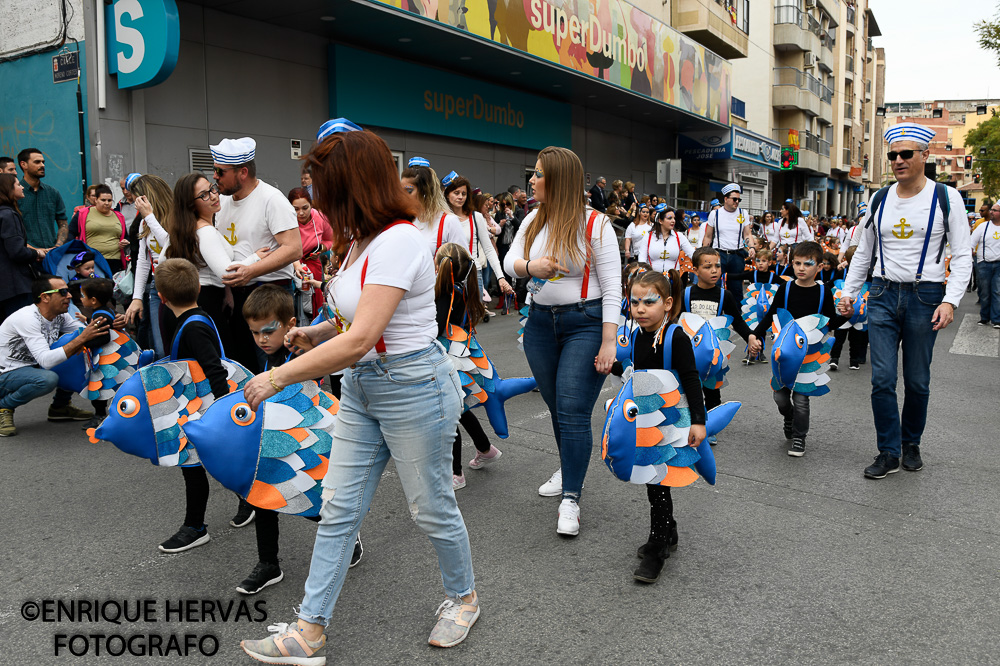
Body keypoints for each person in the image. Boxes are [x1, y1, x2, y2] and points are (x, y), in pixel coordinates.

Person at [239, 126, 478, 662]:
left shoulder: (397, 239)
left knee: (430, 508)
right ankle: (309, 629)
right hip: (366, 388)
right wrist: (318, 331)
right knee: (339, 507)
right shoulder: (362, 240)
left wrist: (279, 375)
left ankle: (463, 597)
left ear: (352, 183)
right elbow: (356, 318)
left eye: (321, 182)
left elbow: (366, 337)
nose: (314, 195)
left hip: (413, 386)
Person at [838, 123, 972, 479]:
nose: (898, 160)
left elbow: (961, 255)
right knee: (881, 379)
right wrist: (848, 293)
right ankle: (888, 451)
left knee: (916, 380)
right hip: (882, 293)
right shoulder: (879, 198)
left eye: (906, 154)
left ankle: (911, 442)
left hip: (925, 295)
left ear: (925, 156)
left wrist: (951, 300)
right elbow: (864, 253)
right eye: (893, 155)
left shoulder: (946, 197)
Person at [504, 146, 620, 536]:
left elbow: (613, 288)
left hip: (584, 323)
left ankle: (571, 496)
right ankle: (568, 465)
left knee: (571, 409)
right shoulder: (534, 218)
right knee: (557, 407)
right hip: (539, 323)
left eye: (538, 174)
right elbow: (509, 261)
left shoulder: (596, 224)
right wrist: (529, 267)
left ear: (559, 180)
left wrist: (609, 341)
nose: (532, 180)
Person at [237, 285, 364, 595]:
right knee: (264, 496)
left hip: (307, 441)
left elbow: (320, 372)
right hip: (272, 440)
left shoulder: (300, 352)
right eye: (255, 333)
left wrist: (307, 353)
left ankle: (345, 532)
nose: (262, 339)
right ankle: (268, 563)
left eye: (268, 330)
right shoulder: (265, 355)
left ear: (290, 325)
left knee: (310, 498)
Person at [620, 269, 705, 582]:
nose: (640, 308)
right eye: (635, 302)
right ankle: (668, 529)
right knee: (651, 480)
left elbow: (692, 378)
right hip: (645, 419)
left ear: (668, 304)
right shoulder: (638, 335)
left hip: (670, 422)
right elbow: (635, 374)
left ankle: (657, 548)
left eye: (649, 302)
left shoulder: (675, 337)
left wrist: (699, 421)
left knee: (657, 481)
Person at [153, 258, 243, 553]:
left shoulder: (193, 327)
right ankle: (248, 501)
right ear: (199, 286)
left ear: (162, 297)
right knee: (208, 463)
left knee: (192, 464)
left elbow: (214, 369)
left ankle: (195, 527)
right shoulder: (194, 319)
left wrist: (222, 413)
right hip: (200, 406)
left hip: (205, 408)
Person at [212, 136, 303, 373]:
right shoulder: (222, 201)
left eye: (220, 172)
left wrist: (251, 270)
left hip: (269, 295)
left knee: (273, 371)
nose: (215, 177)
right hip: (236, 296)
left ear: (242, 172)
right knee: (243, 366)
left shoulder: (272, 200)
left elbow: (293, 248)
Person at [749, 242, 847, 457]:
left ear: (819, 266)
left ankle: (799, 437)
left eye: (808, 264)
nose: (801, 268)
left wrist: (847, 316)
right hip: (783, 354)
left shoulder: (823, 292)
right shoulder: (786, 288)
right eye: (797, 263)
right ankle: (789, 417)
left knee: (802, 399)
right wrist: (754, 335)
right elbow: (771, 314)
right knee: (780, 398)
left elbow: (829, 322)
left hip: (809, 354)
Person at [161, 173, 264, 352]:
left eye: (212, 189)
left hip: (184, 304)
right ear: (190, 203)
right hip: (204, 304)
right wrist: (256, 257)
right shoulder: (205, 232)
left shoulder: (183, 229)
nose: (214, 196)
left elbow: (162, 263)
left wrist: (226, 293)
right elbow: (228, 274)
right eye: (204, 195)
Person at [0, 274, 106, 436]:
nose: (69, 295)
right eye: (63, 292)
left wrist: (108, 322)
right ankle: (5, 406)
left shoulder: (60, 315)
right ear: (45, 297)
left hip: (32, 367)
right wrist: (82, 338)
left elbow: (83, 331)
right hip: (6, 373)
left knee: (78, 351)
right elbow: (47, 360)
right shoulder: (27, 318)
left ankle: (60, 407)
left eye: (69, 291)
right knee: (48, 378)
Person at [434, 243, 502, 490]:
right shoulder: (460, 288)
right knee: (459, 407)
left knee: (450, 414)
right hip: (459, 354)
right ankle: (484, 448)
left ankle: (456, 473)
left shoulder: (444, 293)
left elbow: (438, 327)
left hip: (446, 357)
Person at [681, 247, 752, 443]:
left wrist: (750, 337)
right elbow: (674, 321)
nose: (714, 270)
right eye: (708, 266)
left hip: (714, 353)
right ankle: (688, 422)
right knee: (686, 387)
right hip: (687, 351)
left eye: (717, 266)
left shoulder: (724, 296)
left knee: (712, 390)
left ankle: (710, 425)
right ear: (695, 270)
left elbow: (737, 321)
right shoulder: (686, 294)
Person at [442, 172, 513, 302]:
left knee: (472, 320)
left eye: (463, 194)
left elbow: (489, 249)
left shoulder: (476, 217)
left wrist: (500, 277)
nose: (460, 197)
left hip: (473, 276)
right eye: (456, 193)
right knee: (449, 320)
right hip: (447, 277)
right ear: (447, 194)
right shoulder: (441, 218)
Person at [124, 174, 173, 358]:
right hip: (156, 286)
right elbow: (143, 261)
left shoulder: (174, 215)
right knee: (160, 348)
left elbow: (171, 246)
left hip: (177, 284)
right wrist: (137, 297)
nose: (135, 202)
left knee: (176, 342)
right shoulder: (145, 222)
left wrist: (150, 217)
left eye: (138, 197)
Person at [0, 174, 44, 320]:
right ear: (8, 189)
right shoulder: (8, 215)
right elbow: (17, 251)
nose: (22, 187)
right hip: (15, 287)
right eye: (18, 184)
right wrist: (37, 253)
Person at [701, 184, 754, 301]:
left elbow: (747, 234)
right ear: (725, 199)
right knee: (716, 286)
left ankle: (736, 316)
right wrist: (703, 254)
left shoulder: (743, 213)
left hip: (737, 255)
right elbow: (708, 236)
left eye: (739, 200)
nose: (737, 202)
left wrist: (751, 247)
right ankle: (716, 314)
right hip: (719, 255)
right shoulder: (715, 214)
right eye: (734, 199)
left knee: (736, 289)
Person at [401, 160, 465, 256]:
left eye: (409, 191)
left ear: (424, 192)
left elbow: (463, 265)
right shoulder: (404, 221)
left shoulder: (449, 222)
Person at [76, 277, 117, 429]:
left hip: (104, 357)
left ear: (93, 300)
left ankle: (100, 415)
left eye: (83, 296)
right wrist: (87, 319)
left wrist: (84, 343)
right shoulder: (103, 311)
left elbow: (104, 336)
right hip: (107, 355)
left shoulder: (100, 316)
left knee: (98, 387)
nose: (81, 298)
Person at [288, 187, 333, 320]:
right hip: (291, 265)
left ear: (311, 205)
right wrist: (297, 265)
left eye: (305, 208)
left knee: (316, 303)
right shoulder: (286, 219)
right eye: (296, 209)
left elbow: (330, 239)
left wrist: (321, 249)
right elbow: (286, 247)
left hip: (314, 265)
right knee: (296, 305)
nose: (301, 213)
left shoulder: (320, 217)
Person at [69, 184, 129, 273]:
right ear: (96, 200)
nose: (106, 203)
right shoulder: (83, 213)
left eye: (109, 200)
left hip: (115, 262)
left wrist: (125, 241)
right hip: (92, 262)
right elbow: (70, 234)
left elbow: (125, 236)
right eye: (103, 200)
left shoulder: (119, 216)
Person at [17, 148, 67, 250]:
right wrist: (34, 250)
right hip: (26, 256)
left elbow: (63, 224)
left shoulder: (53, 193)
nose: (42, 165)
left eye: (43, 162)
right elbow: (11, 231)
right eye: (37, 162)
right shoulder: (15, 194)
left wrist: (57, 246)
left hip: (51, 254)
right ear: (23, 164)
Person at [830, 246, 870, 371]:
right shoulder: (846, 271)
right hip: (853, 310)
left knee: (846, 337)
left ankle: (844, 359)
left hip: (853, 310)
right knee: (849, 337)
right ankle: (845, 360)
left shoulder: (866, 273)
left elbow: (832, 283)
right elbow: (833, 283)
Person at [638, 206, 696, 274]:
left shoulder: (679, 236)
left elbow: (692, 254)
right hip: (652, 278)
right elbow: (642, 259)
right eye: (669, 218)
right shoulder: (648, 236)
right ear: (660, 221)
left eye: (674, 218)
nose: (673, 221)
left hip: (673, 278)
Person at [971, 203, 1000, 326]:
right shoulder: (983, 227)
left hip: (999, 264)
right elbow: (971, 242)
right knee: (984, 292)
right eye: (991, 210)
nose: (992, 212)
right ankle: (984, 317)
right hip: (984, 264)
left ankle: (996, 319)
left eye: (995, 210)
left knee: (997, 292)